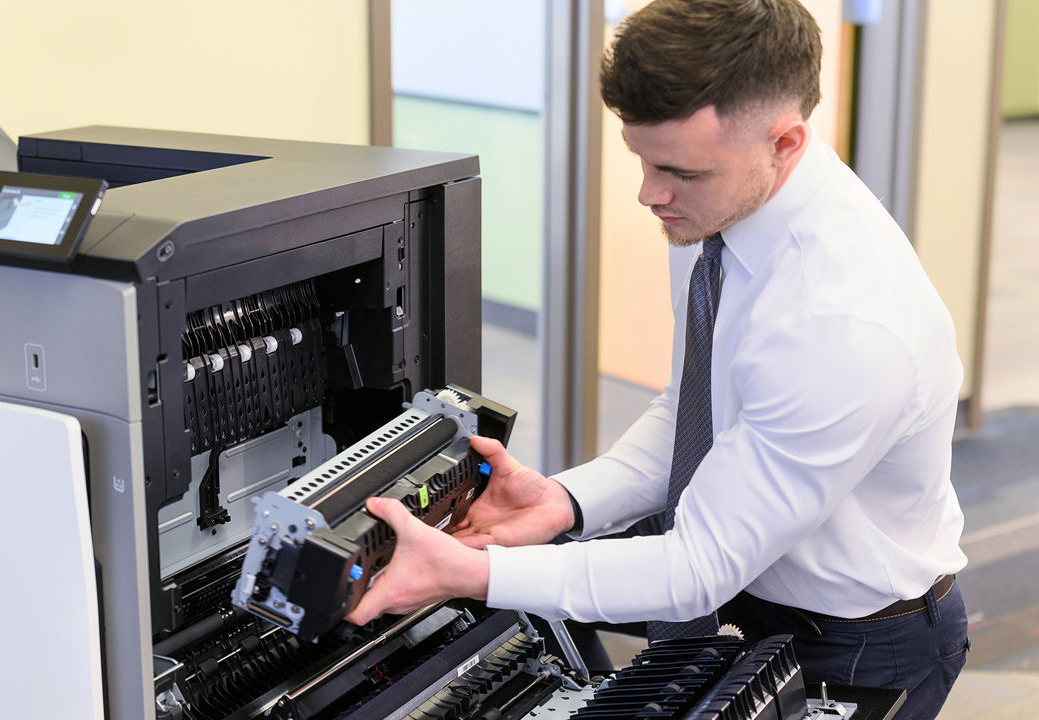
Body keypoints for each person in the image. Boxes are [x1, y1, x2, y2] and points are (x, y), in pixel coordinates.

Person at [344, 0, 970, 717]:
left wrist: (471, 573)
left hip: (857, 638)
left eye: (680, 171)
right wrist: (567, 502)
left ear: (785, 142)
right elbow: (694, 410)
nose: (650, 194)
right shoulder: (722, 213)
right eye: (641, 159)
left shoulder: (842, 323)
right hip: (747, 579)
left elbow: (697, 567)